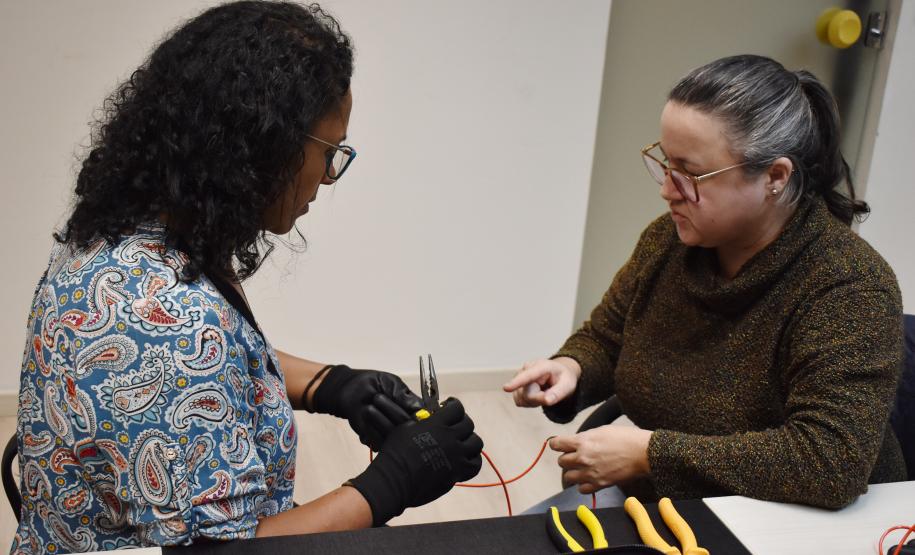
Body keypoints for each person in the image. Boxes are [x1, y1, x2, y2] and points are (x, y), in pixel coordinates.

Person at [13, 2, 483, 552]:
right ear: (263, 146)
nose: (328, 177)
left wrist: (331, 384)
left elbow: (204, 362)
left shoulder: (129, 234)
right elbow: (229, 553)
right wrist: (393, 481)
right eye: (328, 152)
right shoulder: (162, 319)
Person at [504, 54, 906, 510]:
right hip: (665, 501)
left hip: (794, 523)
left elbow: (829, 463)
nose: (667, 190)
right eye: (665, 163)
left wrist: (649, 454)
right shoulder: (668, 243)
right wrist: (571, 368)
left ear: (775, 177)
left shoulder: (848, 285)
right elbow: (608, 339)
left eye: (691, 174)